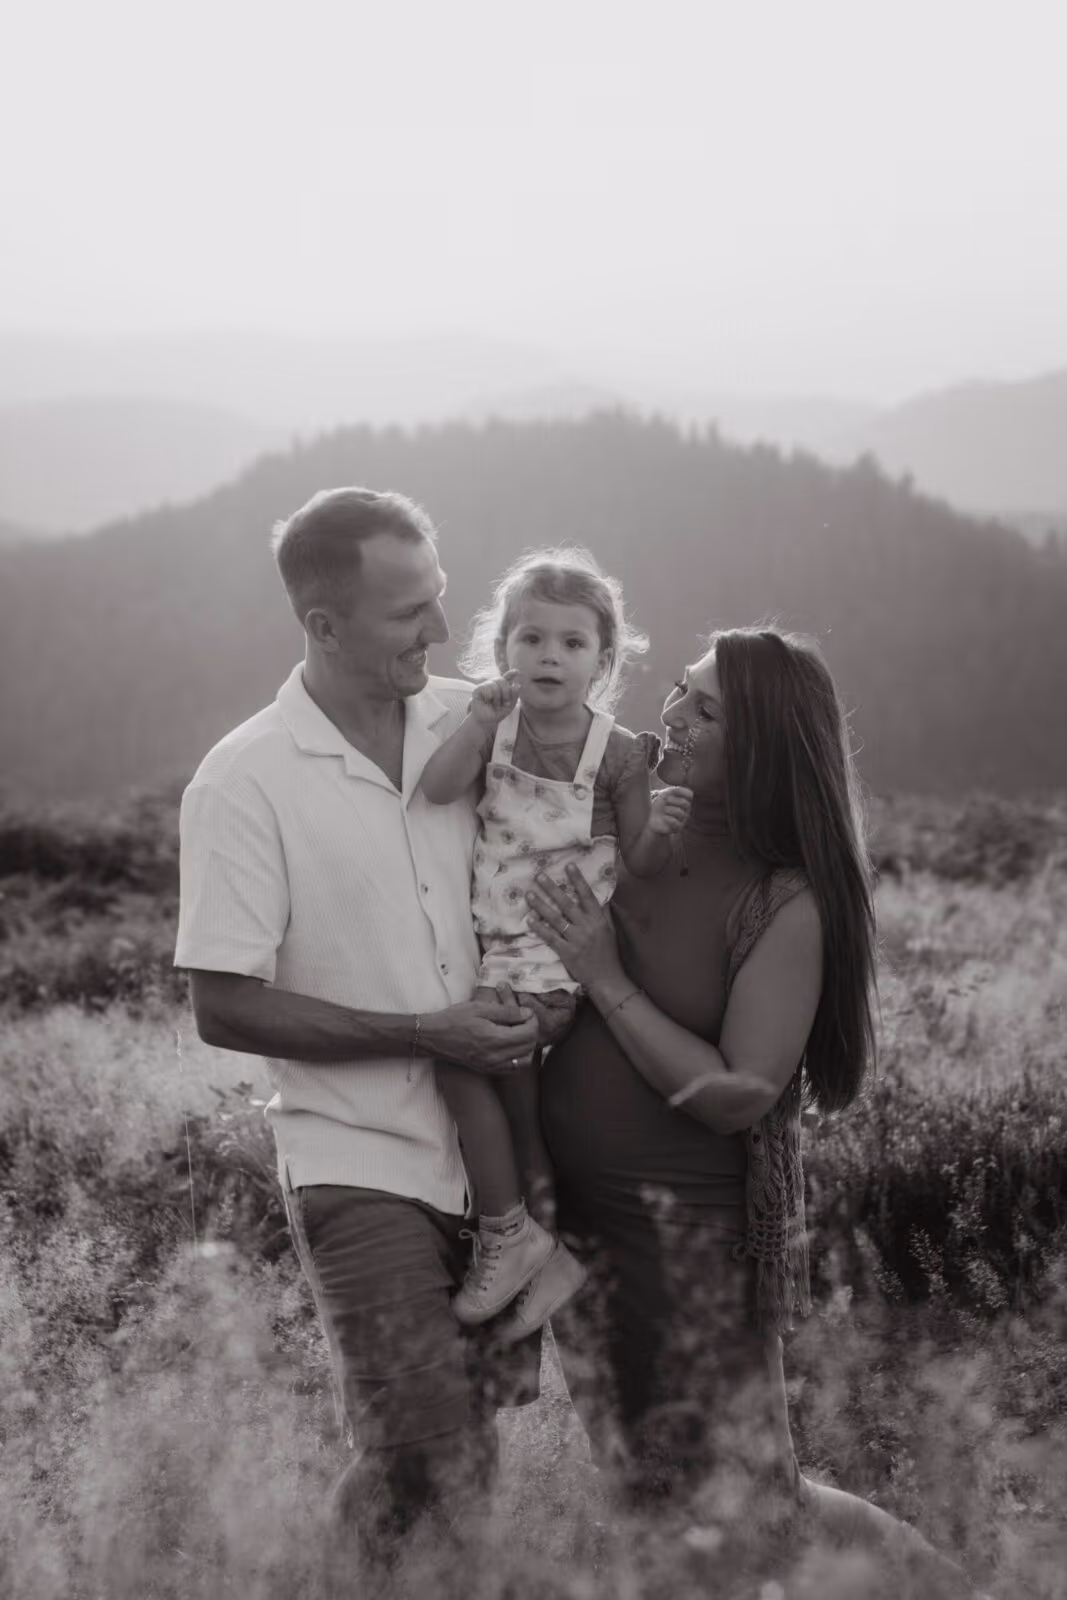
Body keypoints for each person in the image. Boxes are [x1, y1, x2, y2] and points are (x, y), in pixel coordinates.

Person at [522, 627, 980, 1591]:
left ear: (763, 748)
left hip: (690, 1238)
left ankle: (942, 1587)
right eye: (679, 691)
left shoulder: (786, 900)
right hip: (576, 1223)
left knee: (754, 1501)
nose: (672, 716)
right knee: (643, 1489)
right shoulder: (632, 830)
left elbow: (740, 1094)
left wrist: (602, 974)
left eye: (707, 710)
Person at [174, 487, 541, 1563]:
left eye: (438, 599)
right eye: (407, 612)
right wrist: (429, 1033)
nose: (441, 629)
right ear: (323, 624)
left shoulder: (481, 721)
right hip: (355, 1158)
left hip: (507, 1164)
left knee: (460, 1454)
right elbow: (223, 1004)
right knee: (426, 1450)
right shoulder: (242, 781)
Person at [419, 548, 692, 1330]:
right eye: (530, 639)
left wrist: (660, 827)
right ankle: (549, 1245)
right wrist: (476, 723)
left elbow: (638, 861)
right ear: (501, 648)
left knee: (460, 1061)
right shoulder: (494, 730)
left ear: (601, 661)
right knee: (519, 1101)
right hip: (499, 953)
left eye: (572, 643)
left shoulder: (618, 751)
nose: (549, 656)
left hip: (553, 958)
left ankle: (507, 1231)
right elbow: (437, 789)